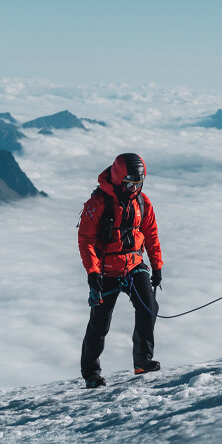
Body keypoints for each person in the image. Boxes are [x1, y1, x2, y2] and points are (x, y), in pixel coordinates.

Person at [77, 153, 164, 388]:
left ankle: (142, 361)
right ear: (117, 179)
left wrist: (156, 266)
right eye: (129, 184)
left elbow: (151, 235)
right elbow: (86, 239)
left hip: (134, 265)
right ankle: (91, 374)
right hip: (106, 272)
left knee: (149, 308)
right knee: (100, 323)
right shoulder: (98, 204)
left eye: (138, 183)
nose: (134, 188)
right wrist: (93, 273)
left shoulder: (142, 203)